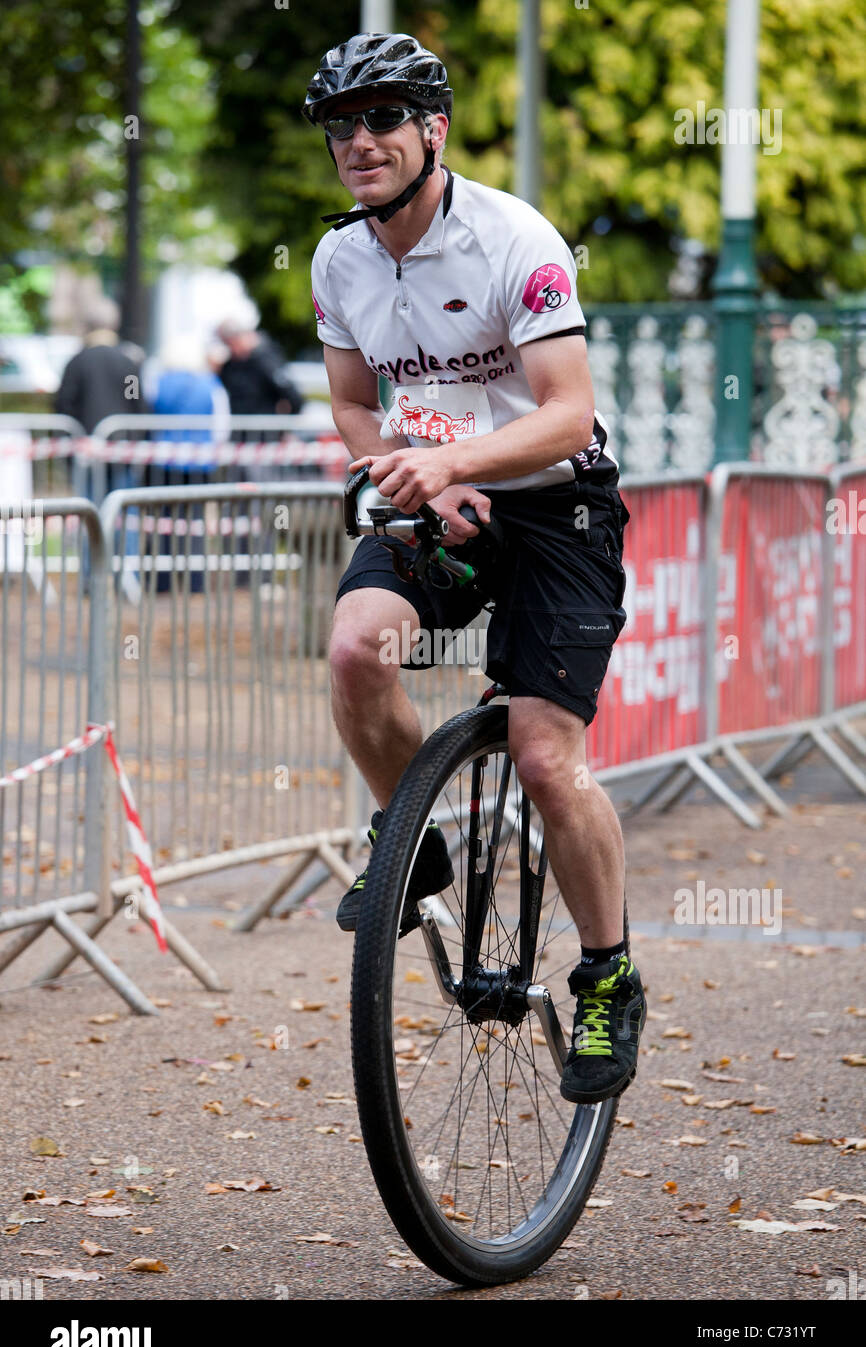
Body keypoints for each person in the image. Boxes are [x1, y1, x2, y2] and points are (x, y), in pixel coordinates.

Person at [304, 32, 645, 1106]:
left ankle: (606, 973)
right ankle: (417, 838)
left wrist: (454, 456)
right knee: (357, 649)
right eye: (342, 125)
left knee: (546, 758)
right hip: (435, 501)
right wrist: (402, 470)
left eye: (383, 118)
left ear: (431, 129)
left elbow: (565, 412)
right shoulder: (336, 259)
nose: (360, 141)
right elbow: (358, 402)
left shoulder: (513, 239)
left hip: (555, 509)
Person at [54, 298, 148, 435]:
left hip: (84, 444)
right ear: (115, 324)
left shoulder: (77, 363)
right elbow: (134, 401)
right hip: (121, 444)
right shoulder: (127, 364)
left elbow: (65, 404)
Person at [216, 320, 304, 417]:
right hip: (243, 426)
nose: (230, 349)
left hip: (266, 426)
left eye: (230, 344)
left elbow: (291, 395)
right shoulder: (230, 365)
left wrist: (285, 424)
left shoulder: (265, 360)